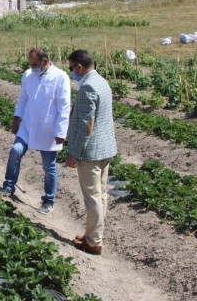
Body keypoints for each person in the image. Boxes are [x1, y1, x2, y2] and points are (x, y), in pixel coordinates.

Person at [1, 48, 71, 215]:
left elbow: (64, 107)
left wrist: (61, 132)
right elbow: (23, 98)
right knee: (15, 151)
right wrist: (16, 119)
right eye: (30, 64)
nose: (31, 67)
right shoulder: (28, 75)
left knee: (49, 166)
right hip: (28, 124)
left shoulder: (60, 77)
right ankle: (9, 185)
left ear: (45, 61)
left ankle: (48, 200)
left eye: (34, 64)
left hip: (48, 128)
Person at [65, 50, 117, 256]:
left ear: (79, 67)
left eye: (71, 68)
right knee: (101, 194)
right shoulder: (102, 81)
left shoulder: (87, 87)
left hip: (91, 152)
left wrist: (74, 153)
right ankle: (92, 234)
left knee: (92, 197)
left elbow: (88, 124)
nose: (71, 73)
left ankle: (94, 242)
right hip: (106, 148)